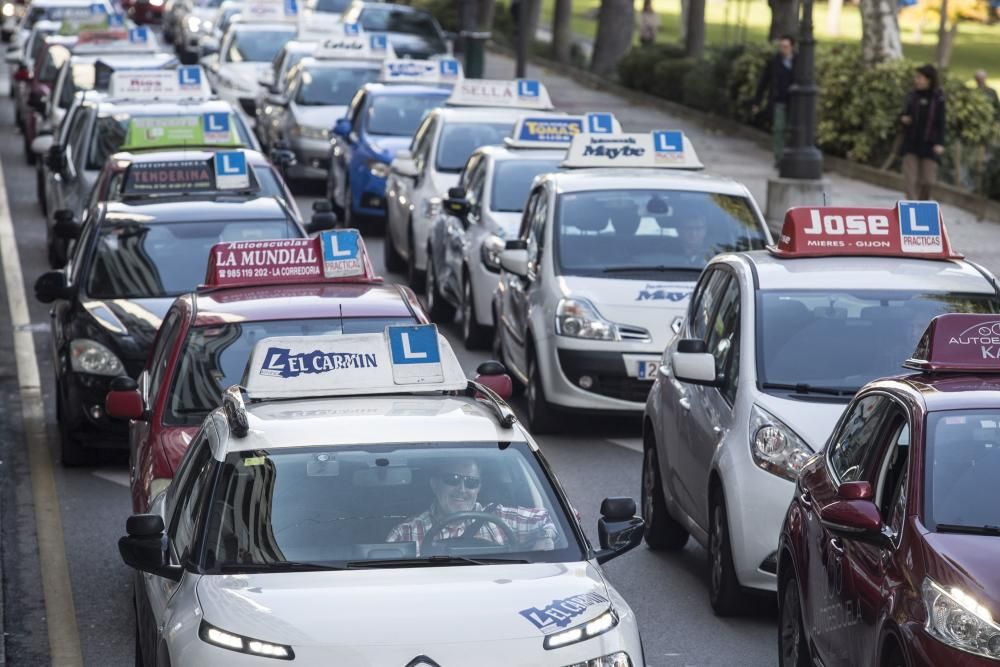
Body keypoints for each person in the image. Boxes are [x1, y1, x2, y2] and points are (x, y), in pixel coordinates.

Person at [387, 459, 558, 555]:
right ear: (434, 485)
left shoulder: (500, 517)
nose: (462, 490)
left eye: (471, 482)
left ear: (478, 489)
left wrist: (545, 537)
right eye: (452, 480)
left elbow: (550, 519)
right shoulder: (405, 532)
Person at [899, 64, 946, 201]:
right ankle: (911, 209)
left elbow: (941, 122)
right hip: (911, 144)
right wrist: (903, 119)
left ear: (929, 80)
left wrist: (940, 143)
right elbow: (902, 114)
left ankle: (922, 206)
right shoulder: (912, 96)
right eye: (916, 77)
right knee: (910, 181)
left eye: (920, 77)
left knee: (928, 181)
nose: (916, 80)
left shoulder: (938, 98)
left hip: (929, 145)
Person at [752, 35, 796, 167]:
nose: (783, 49)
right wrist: (757, 102)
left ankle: (789, 157)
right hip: (779, 102)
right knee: (778, 129)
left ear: (792, 47)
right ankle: (779, 158)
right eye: (781, 46)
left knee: (791, 131)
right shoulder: (774, 62)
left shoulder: (799, 62)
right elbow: (764, 82)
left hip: (794, 103)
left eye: (786, 47)